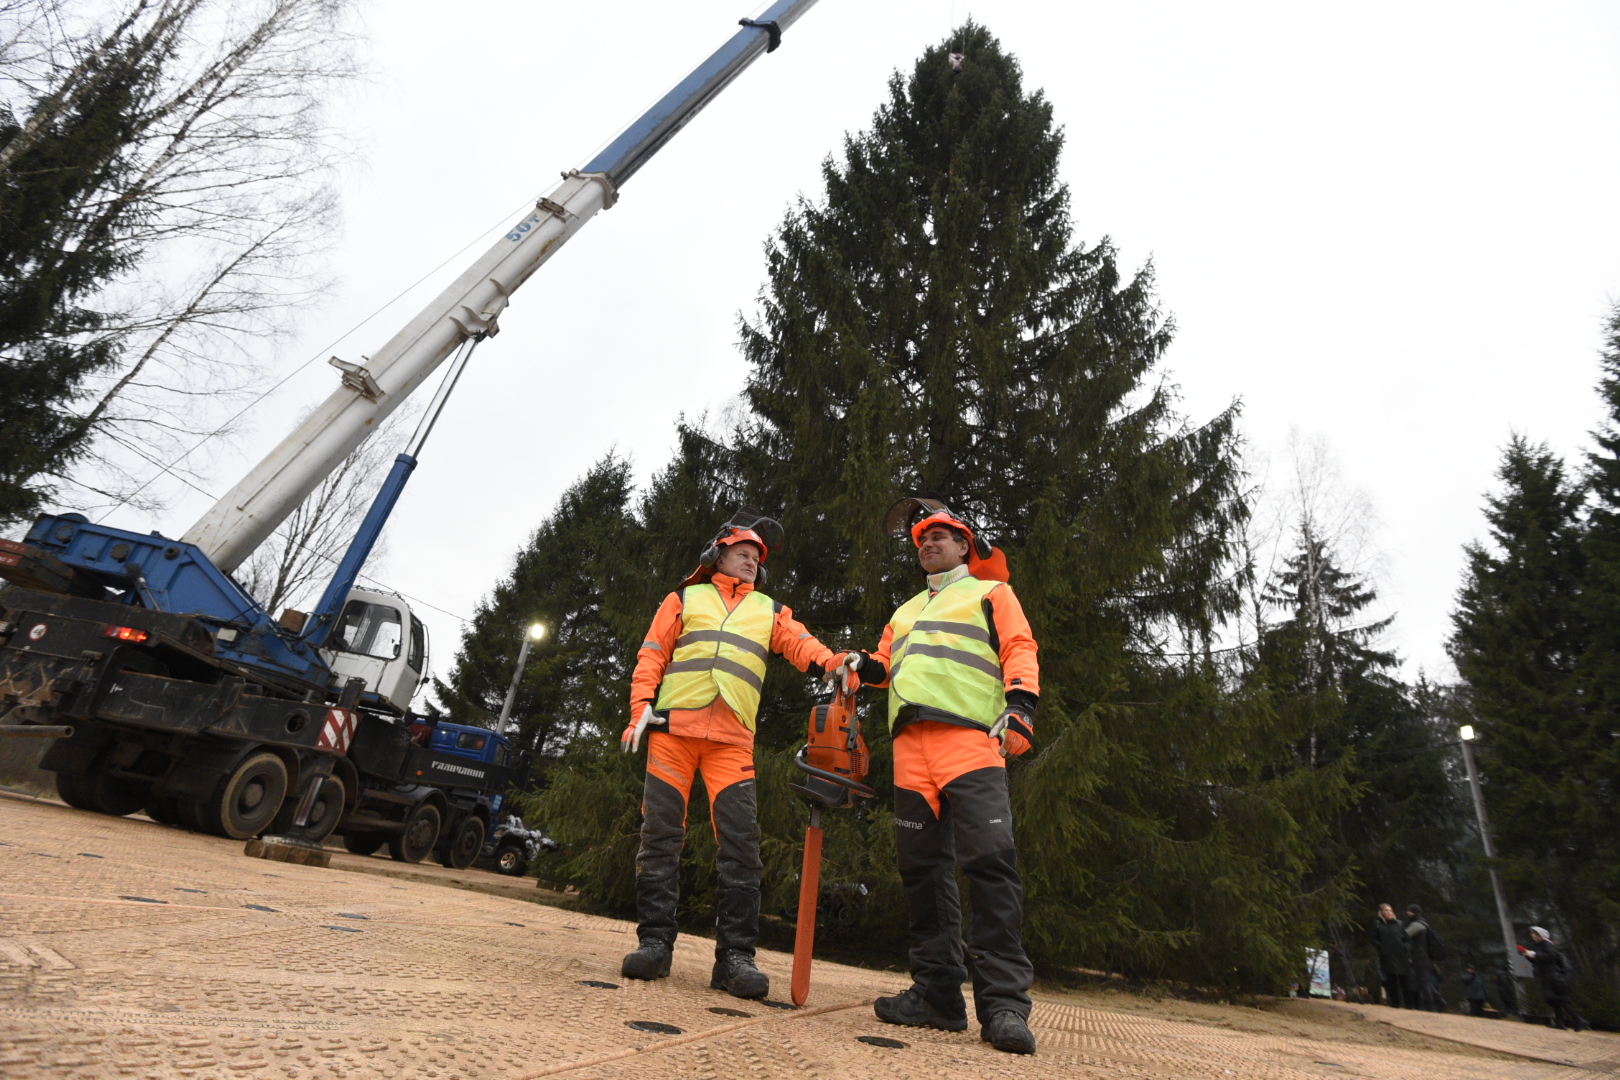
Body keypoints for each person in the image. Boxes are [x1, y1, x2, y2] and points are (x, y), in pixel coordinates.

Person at [831, 500, 1039, 1055]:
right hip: (911, 751)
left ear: (965, 544)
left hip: (971, 741)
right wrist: (858, 665)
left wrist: (1021, 706)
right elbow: (885, 665)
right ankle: (939, 995)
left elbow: (1019, 646)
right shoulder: (903, 613)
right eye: (922, 539)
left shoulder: (992, 593)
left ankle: (1004, 1008)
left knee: (990, 864)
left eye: (941, 536)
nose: (928, 544)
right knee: (921, 872)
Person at [619, 512, 846, 1000]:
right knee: (660, 836)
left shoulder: (769, 610)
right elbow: (652, 654)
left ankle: (736, 959)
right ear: (718, 554)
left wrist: (833, 662)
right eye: (743, 552)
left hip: (732, 742)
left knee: (742, 847)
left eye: (757, 558)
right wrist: (640, 708)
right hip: (672, 733)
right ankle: (655, 946)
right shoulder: (684, 597)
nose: (751, 561)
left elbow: (802, 644)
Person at [1521, 927, 1587, 1031]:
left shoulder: (1547, 944)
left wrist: (1535, 954)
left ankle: (1579, 1019)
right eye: (1532, 934)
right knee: (1554, 1000)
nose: (1533, 936)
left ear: (1541, 935)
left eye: (1535, 934)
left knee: (1553, 997)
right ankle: (1561, 1022)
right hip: (1547, 975)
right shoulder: (1539, 945)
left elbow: (1550, 957)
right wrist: (1528, 955)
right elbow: (1539, 961)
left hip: (1552, 976)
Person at [1370, 904, 1414, 1008]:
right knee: (1392, 981)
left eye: (1390, 910)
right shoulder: (1378, 925)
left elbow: (1407, 940)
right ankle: (1395, 1005)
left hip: (1401, 957)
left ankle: (1410, 1006)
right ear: (1381, 912)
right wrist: (1382, 947)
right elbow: (1373, 939)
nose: (1389, 912)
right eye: (1386, 910)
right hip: (1388, 957)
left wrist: (1405, 948)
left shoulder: (1399, 924)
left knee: (1406, 982)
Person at [1404, 905, 1443, 1012]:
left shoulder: (1417, 925)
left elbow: (1404, 935)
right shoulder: (1425, 923)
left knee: (1424, 983)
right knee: (1426, 982)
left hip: (1420, 958)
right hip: (1428, 959)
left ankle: (1431, 1007)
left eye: (1408, 912)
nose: (1407, 914)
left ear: (1412, 913)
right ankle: (1439, 1000)